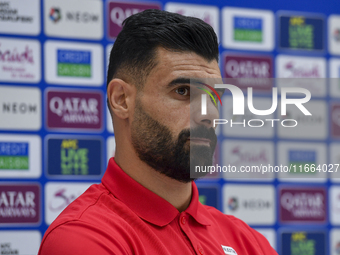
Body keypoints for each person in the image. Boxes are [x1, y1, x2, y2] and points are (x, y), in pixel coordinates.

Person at [39, 9, 278, 255]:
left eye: (215, 95)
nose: (210, 114)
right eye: (183, 91)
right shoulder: (83, 238)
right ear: (121, 99)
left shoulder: (248, 241)